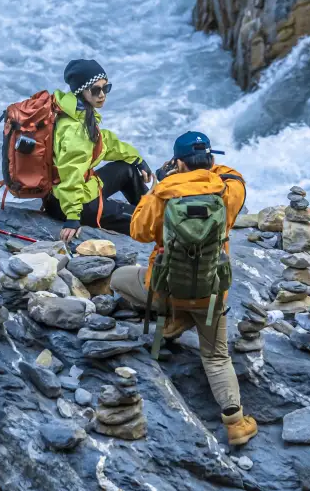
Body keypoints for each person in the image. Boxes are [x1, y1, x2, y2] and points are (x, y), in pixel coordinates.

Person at [110, 131, 258, 447]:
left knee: (118, 278)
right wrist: (208, 170)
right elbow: (237, 179)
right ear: (211, 161)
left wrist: (160, 184)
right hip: (211, 295)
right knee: (217, 357)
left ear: (177, 163)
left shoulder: (163, 193)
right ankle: (235, 423)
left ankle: (174, 320)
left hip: (165, 290)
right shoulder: (226, 192)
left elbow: (137, 230)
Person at [42, 59, 153, 243]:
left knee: (127, 169)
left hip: (72, 193)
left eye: (105, 88)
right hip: (74, 204)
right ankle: (150, 218)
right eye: (95, 90)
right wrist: (72, 218)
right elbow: (71, 174)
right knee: (150, 221)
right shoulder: (76, 130)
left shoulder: (77, 111)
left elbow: (104, 143)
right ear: (80, 90)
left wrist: (137, 159)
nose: (102, 95)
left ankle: (150, 207)